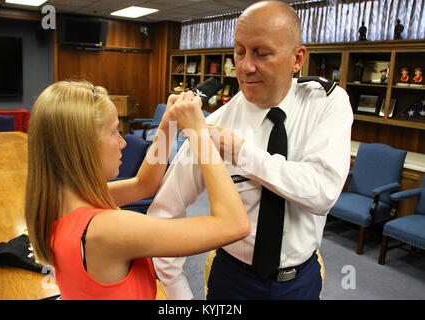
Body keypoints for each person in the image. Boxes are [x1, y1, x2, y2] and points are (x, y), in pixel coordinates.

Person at [148, 0, 353, 300]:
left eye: (261, 53)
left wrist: (241, 152)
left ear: (297, 59)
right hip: (233, 279)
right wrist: (179, 294)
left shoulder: (326, 104)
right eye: (239, 51)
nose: (244, 66)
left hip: (299, 281)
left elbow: (322, 192)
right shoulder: (214, 125)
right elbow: (165, 212)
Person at [25, 80, 249, 300]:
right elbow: (234, 224)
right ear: (83, 146)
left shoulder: (59, 200)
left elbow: (145, 184)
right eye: (115, 132)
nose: (123, 143)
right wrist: (200, 135)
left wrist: (168, 124)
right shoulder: (108, 228)